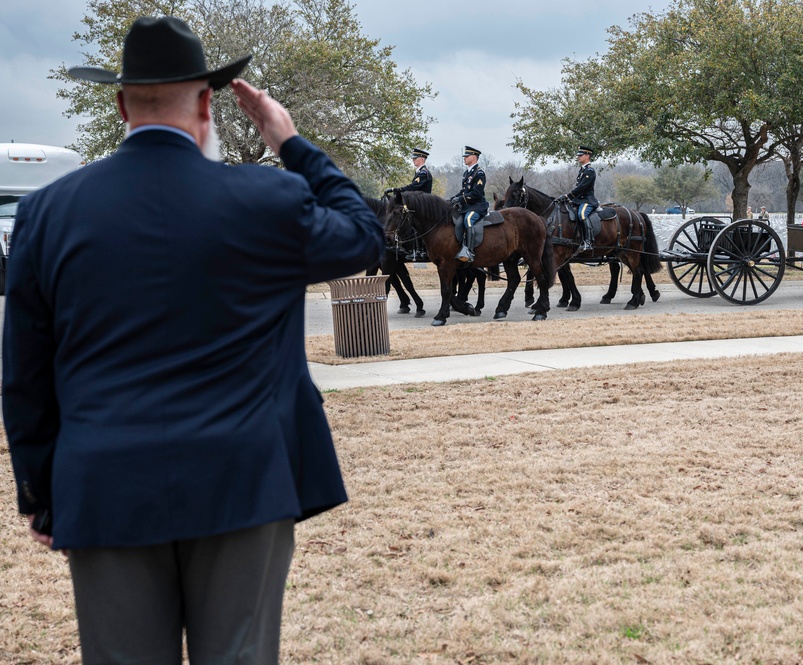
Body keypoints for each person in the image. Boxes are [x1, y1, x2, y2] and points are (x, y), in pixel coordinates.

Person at [3, 15, 385, 665]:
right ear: (207, 101)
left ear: (121, 104)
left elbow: (24, 374)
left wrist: (42, 494)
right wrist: (289, 140)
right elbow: (361, 234)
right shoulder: (266, 197)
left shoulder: (48, 212)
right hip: (242, 475)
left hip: (105, 480)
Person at [448, 145, 487, 262]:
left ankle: (469, 251)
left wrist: (460, 199)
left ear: (474, 157)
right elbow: (464, 191)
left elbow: (477, 193)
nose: (464, 158)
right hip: (467, 206)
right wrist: (453, 198)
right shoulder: (466, 173)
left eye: (467, 156)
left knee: (468, 220)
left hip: (477, 206)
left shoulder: (479, 173)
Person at [557, 146, 597, 251]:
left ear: (587, 156)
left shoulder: (590, 171)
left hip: (588, 200)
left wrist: (568, 196)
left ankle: (588, 242)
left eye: (581, 155)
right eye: (578, 155)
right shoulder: (583, 170)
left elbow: (582, 187)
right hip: (579, 200)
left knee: (582, 214)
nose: (578, 157)